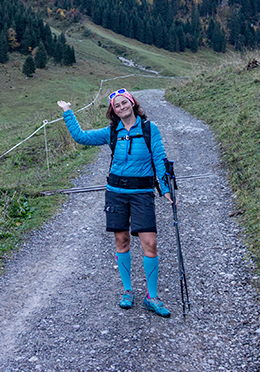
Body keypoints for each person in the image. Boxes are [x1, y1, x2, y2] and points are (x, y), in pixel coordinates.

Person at [57, 89, 173, 317]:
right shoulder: (112, 132)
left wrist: (166, 190)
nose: (121, 107)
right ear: (113, 111)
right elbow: (81, 137)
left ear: (132, 103)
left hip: (142, 193)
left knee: (150, 243)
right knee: (121, 240)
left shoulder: (150, 129)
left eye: (124, 103)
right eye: (117, 106)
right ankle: (127, 290)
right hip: (116, 192)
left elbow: (159, 158)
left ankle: (152, 296)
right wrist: (68, 112)